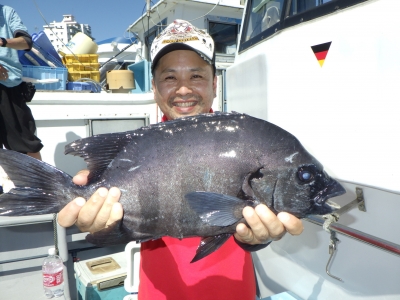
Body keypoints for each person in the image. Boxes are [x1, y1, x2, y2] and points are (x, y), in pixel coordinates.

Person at [58, 19, 303, 299]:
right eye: (170, 77)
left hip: (233, 291)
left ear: (214, 82)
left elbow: (246, 220)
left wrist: (255, 239)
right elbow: (117, 225)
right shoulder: (136, 149)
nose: (183, 89)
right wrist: (101, 222)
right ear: (155, 87)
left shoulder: (245, 142)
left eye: (196, 76)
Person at [0, 5, 42, 160]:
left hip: (9, 85)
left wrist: (3, 42)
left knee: (28, 144)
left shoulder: (6, 12)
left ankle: (39, 184)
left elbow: (26, 42)